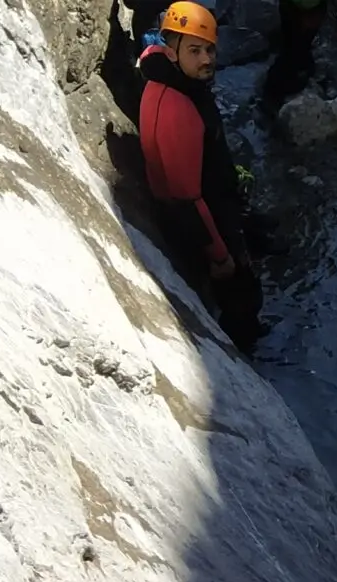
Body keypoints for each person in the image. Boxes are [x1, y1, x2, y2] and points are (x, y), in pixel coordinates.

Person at [137, 2, 266, 352]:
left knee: (260, 235)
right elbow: (185, 198)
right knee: (242, 291)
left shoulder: (176, 81)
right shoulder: (177, 107)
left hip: (213, 197)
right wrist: (219, 255)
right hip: (202, 216)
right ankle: (244, 344)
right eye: (195, 50)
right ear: (172, 50)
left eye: (209, 49)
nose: (207, 59)